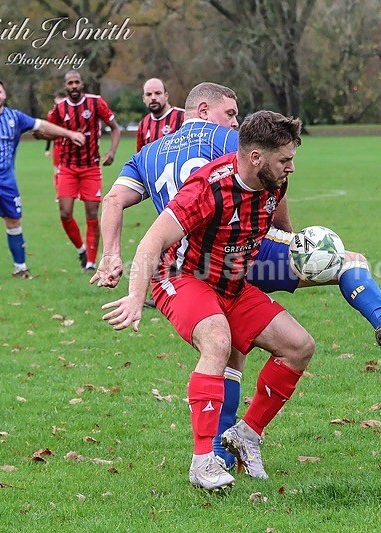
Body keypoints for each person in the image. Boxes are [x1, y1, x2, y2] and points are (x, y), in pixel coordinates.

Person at [93, 82, 381, 470]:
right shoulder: (234, 145)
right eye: (231, 114)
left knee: (254, 343)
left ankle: (234, 444)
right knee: (226, 342)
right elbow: (265, 181)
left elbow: (113, 201)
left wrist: (110, 256)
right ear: (205, 110)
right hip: (201, 263)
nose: (236, 122)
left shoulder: (148, 154)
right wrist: (290, 239)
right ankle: (214, 455)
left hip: (229, 255)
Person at [102, 110, 312, 491]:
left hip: (233, 283)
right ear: (255, 158)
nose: (291, 168)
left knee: (299, 347)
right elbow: (152, 241)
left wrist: (310, 251)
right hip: (182, 278)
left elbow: (281, 232)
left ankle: (246, 435)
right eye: (285, 160)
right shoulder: (207, 187)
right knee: (217, 340)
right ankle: (203, 462)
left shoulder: (274, 184)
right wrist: (134, 297)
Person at [0, 79, 85, 282]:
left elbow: (41, 125)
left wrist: (69, 134)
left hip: (8, 180)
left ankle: (20, 268)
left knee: (14, 222)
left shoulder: (14, 117)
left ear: (5, 94)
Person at [46, 70, 121, 272]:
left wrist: (112, 152)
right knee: (64, 212)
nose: (73, 86)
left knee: (91, 213)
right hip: (67, 167)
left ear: (82, 84)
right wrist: (39, 132)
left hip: (91, 167)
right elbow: (46, 130)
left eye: (76, 82)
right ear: (65, 87)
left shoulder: (96, 103)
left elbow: (115, 127)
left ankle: (90, 262)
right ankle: (81, 248)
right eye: (69, 83)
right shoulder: (59, 109)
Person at [136, 78, 185, 151]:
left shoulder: (183, 117)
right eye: (148, 94)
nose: (153, 98)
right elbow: (140, 157)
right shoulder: (143, 124)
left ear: (166, 96)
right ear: (143, 99)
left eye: (158, 93)